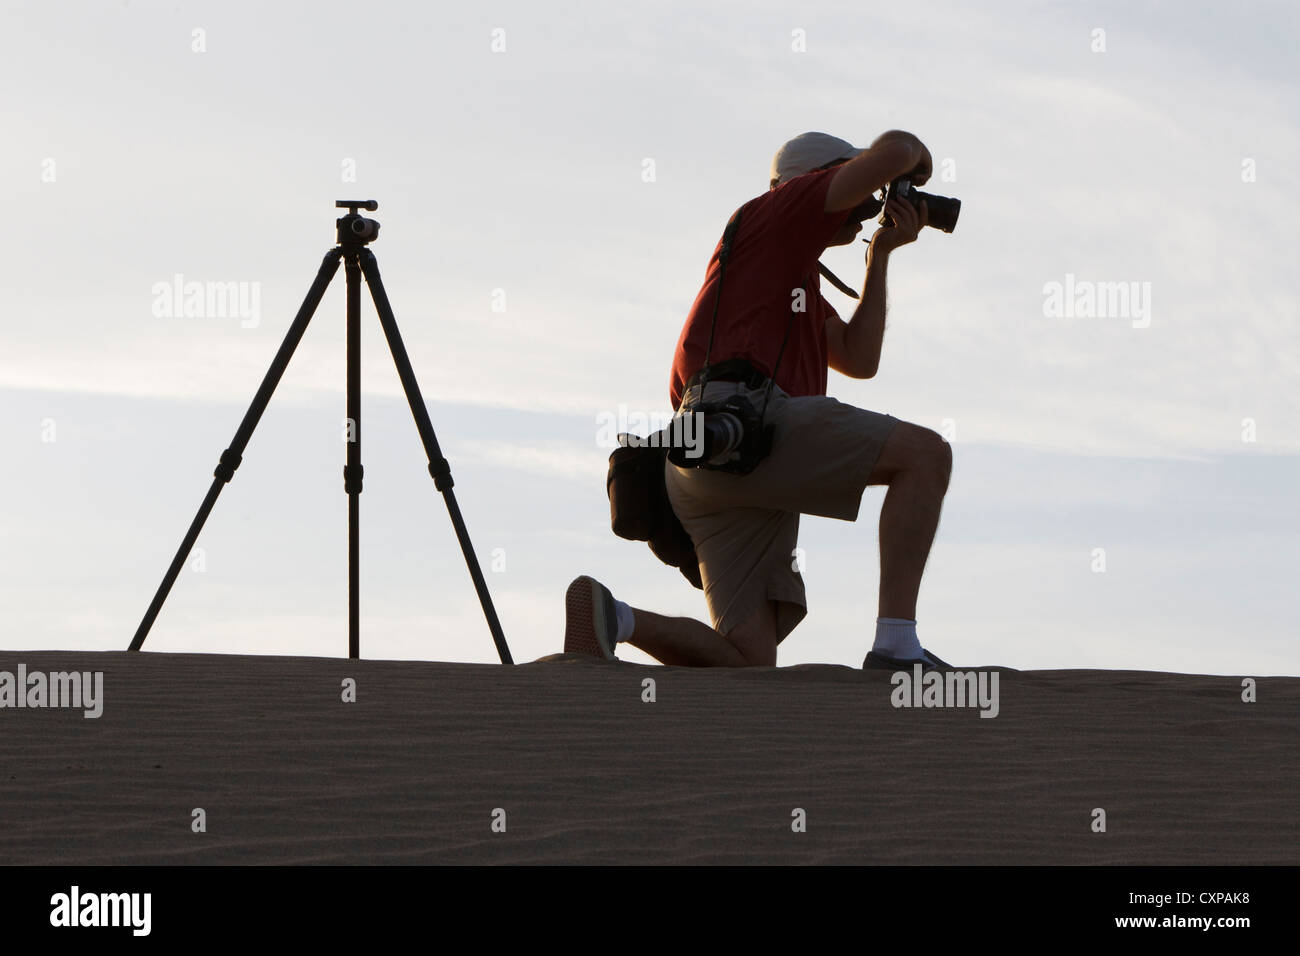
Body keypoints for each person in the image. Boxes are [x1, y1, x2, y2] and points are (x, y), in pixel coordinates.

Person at [565, 130, 954, 670]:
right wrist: (905, 171)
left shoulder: (784, 274)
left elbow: (860, 360)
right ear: (820, 178)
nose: (865, 211)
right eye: (860, 196)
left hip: (711, 459)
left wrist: (881, 255)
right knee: (926, 455)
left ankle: (614, 616)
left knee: (748, 666)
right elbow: (902, 149)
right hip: (742, 421)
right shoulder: (780, 209)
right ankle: (896, 647)